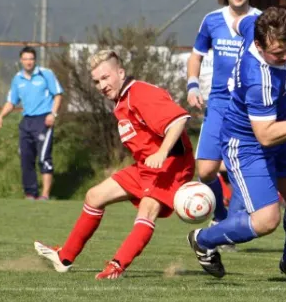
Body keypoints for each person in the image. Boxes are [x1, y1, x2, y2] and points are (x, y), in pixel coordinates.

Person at [186, 7, 286, 282]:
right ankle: (203, 238)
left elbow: (240, 21)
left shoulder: (255, 30)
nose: (283, 58)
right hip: (247, 144)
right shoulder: (259, 78)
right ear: (259, 46)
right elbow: (265, 135)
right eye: (277, 54)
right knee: (266, 221)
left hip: (279, 134)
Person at [34, 49, 194, 279]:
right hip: (145, 167)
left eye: (106, 78)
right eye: (97, 81)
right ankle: (64, 257)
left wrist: (162, 152)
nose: (101, 85)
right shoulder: (122, 101)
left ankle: (117, 266)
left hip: (171, 165)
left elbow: (179, 120)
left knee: (147, 211)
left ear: (121, 72)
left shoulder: (140, 93)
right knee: (94, 196)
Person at [187, 0, 286, 231]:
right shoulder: (213, 20)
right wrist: (193, 86)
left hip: (253, 106)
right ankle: (219, 213)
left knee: (250, 158)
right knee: (205, 171)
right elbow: (196, 55)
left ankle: (234, 221)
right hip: (219, 102)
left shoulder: (265, 22)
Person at [0, 46, 63, 200]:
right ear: (21, 60)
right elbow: (11, 102)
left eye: (31, 59)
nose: (28, 62)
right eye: (25, 59)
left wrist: (53, 114)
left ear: (35, 60)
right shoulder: (17, 79)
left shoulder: (46, 74)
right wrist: (0, 116)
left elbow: (58, 95)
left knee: (44, 157)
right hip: (27, 121)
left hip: (44, 119)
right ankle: (30, 194)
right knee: (26, 157)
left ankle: (45, 195)